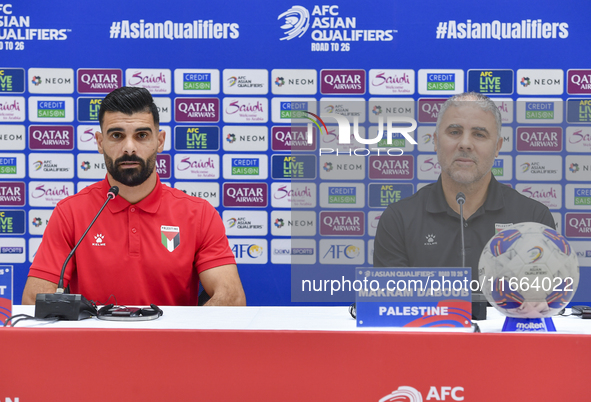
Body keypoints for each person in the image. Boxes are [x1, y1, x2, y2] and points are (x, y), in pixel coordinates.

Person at [22, 87, 246, 306]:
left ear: (159, 141)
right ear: (100, 142)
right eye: (117, 135)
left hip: (170, 344)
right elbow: (34, 299)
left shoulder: (199, 214)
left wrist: (178, 339)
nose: (129, 148)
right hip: (94, 344)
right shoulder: (70, 213)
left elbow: (231, 298)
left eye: (141, 135)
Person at [373, 92, 555, 283]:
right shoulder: (398, 219)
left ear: (497, 147)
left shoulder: (534, 219)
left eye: (479, 134)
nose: (465, 144)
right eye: (454, 132)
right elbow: (392, 305)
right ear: (435, 141)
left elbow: (541, 298)